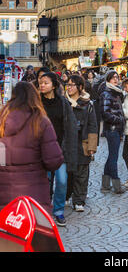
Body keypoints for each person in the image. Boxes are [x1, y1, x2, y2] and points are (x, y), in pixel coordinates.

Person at [0, 82, 64, 214]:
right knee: (33, 232)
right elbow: (53, 161)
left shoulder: (2, 120)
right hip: (34, 194)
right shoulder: (41, 121)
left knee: (7, 233)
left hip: (4, 192)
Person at [39, 72, 78, 226]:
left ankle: (59, 211)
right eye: (40, 83)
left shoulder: (63, 102)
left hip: (60, 148)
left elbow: (71, 125)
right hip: (43, 150)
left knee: (62, 181)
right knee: (45, 182)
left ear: (54, 85)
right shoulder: (37, 103)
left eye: (45, 83)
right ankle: (45, 211)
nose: (42, 85)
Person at [65, 74, 98, 211]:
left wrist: (92, 147)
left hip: (82, 141)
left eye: (72, 85)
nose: (69, 87)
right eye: (68, 84)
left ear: (79, 87)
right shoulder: (63, 102)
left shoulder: (87, 104)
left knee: (82, 172)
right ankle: (66, 195)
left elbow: (93, 125)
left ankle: (79, 200)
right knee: (68, 173)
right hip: (66, 142)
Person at [99, 70, 126, 194]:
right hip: (112, 129)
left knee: (112, 155)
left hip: (116, 129)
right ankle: (116, 185)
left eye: (117, 77)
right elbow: (105, 113)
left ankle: (105, 184)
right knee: (114, 157)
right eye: (113, 78)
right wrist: (119, 119)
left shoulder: (116, 92)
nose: (116, 79)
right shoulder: (106, 93)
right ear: (108, 79)